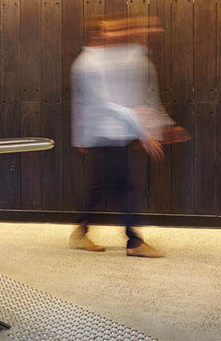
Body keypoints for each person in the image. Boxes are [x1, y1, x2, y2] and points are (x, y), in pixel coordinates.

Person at [69, 15, 187, 257]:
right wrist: (143, 132)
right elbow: (104, 104)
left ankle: (81, 231)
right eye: (106, 32)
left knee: (101, 186)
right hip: (104, 134)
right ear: (95, 35)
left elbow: (137, 97)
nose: (112, 36)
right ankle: (133, 241)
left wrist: (158, 127)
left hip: (112, 133)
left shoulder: (106, 59)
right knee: (126, 186)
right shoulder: (88, 65)